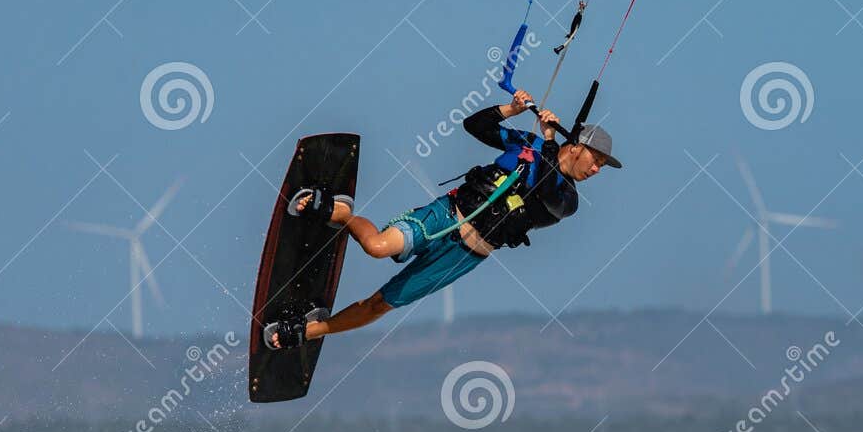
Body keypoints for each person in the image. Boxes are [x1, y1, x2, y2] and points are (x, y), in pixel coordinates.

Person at [262, 89, 621, 349]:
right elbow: (474, 125)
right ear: (577, 145)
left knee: (381, 305)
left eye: (602, 166)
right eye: (597, 160)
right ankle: (341, 213)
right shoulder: (528, 145)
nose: (596, 169)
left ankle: (309, 330)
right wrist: (511, 109)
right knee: (377, 246)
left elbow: (544, 187)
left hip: (464, 256)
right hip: (447, 216)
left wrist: (548, 139)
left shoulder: (568, 199)